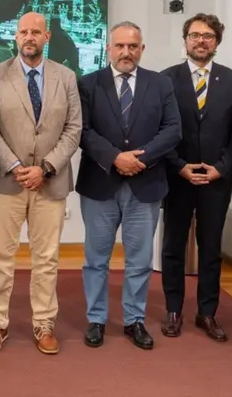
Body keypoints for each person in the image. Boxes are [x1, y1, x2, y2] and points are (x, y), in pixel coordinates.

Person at [0, 12, 82, 355]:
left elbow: (73, 129)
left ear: (47, 36)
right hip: (7, 181)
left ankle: (44, 323)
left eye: (36, 31)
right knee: (1, 257)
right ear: (16, 36)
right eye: (23, 31)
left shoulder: (66, 77)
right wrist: (16, 165)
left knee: (47, 258)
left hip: (49, 183)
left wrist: (46, 167)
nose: (29, 37)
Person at [76, 21, 181, 351]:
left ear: (142, 49)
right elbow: (82, 130)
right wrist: (114, 158)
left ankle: (134, 319)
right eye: (119, 46)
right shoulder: (88, 84)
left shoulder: (160, 84)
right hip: (100, 184)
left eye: (132, 46)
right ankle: (96, 319)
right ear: (109, 49)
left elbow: (173, 129)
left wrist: (142, 159)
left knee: (139, 260)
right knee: (96, 259)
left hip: (145, 183)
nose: (126, 52)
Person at [159, 14, 232, 341]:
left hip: (217, 179)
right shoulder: (165, 79)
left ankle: (207, 313)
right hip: (177, 176)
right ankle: (173, 309)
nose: (201, 41)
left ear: (217, 42)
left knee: (211, 248)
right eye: (194, 35)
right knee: (173, 246)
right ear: (185, 40)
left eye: (208, 36)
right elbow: (160, 129)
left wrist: (221, 167)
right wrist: (178, 164)